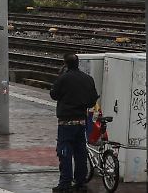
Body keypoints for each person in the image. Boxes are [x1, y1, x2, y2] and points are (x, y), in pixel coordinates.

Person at [49, 52, 99, 192]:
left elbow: (53, 95)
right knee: (80, 152)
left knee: (65, 152)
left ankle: (65, 183)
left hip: (66, 122)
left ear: (66, 64)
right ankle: (80, 182)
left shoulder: (63, 79)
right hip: (81, 121)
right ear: (78, 63)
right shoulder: (88, 79)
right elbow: (93, 99)